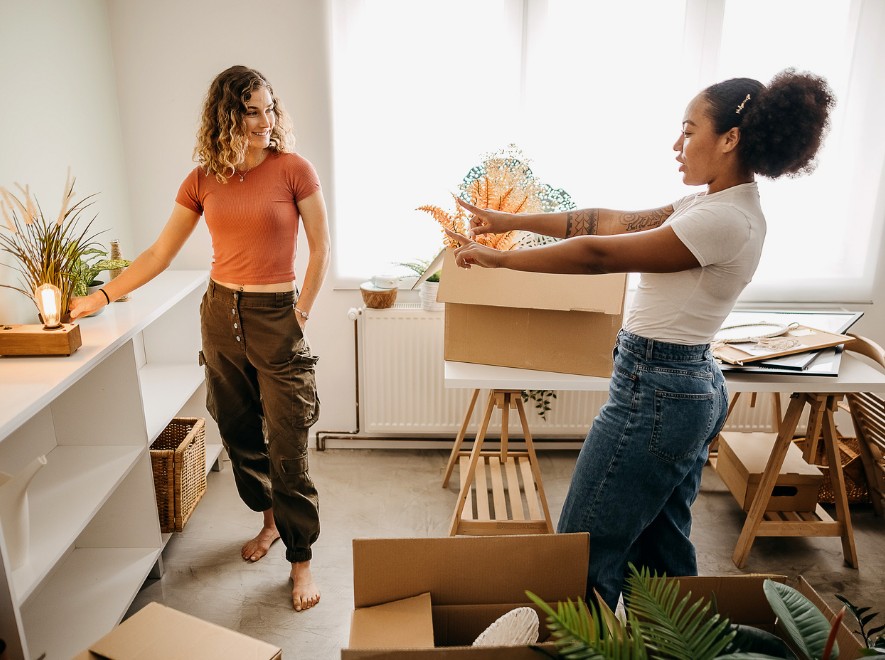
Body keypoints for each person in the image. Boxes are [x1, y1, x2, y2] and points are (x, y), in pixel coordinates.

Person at [445, 68, 834, 609]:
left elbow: (600, 255)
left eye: (688, 129)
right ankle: (680, 644)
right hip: (673, 386)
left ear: (730, 139)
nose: (677, 144)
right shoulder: (711, 206)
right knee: (659, 552)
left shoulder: (725, 219)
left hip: (659, 391)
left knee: (580, 551)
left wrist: (502, 260)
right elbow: (609, 222)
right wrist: (504, 220)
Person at [70, 65, 331, 612]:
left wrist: (300, 313)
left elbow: (321, 247)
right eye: (252, 111)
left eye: (270, 108)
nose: (266, 121)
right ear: (226, 116)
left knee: (287, 441)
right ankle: (270, 524)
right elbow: (159, 255)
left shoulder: (293, 170)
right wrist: (101, 297)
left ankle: (301, 558)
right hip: (219, 314)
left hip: (275, 313)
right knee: (239, 434)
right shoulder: (202, 178)